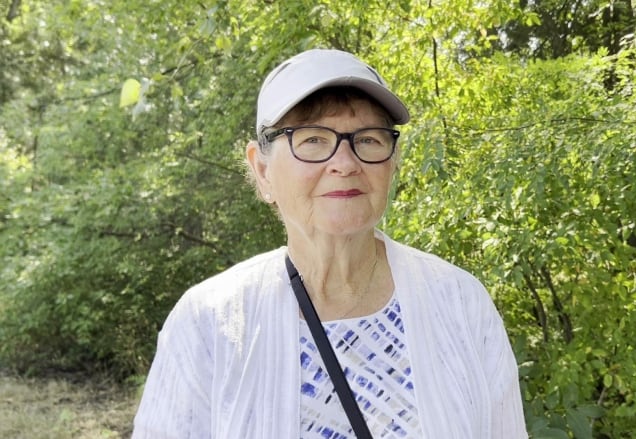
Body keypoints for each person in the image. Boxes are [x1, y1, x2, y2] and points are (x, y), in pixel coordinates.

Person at [133, 48, 528, 438]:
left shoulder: (460, 303)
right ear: (262, 170)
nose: (345, 162)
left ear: (394, 162)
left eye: (369, 139)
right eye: (313, 140)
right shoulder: (210, 323)